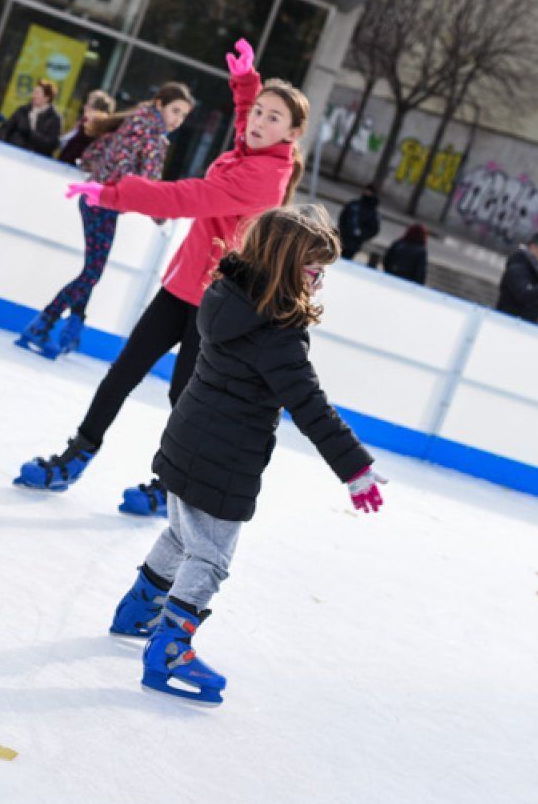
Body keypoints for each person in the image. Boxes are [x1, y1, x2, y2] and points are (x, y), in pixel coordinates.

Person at [14, 40, 307, 518]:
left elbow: (186, 198)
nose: (257, 121)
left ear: (292, 134)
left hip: (217, 302)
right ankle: (75, 457)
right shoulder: (249, 148)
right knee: (123, 372)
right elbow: (244, 125)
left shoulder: (264, 177)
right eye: (258, 111)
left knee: (184, 398)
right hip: (181, 285)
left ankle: (170, 485)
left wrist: (115, 194)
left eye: (272, 117)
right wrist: (245, 84)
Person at [106, 205, 384, 705]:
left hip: (186, 438)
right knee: (210, 556)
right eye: (313, 271)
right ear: (284, 265)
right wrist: (355, 467)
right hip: (225, 457)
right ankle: (170, 649)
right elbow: (309, 403)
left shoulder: (225, 294)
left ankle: (138, 609)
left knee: (180, 534)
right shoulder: (275, 333)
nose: (318, 282)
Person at [14, 80, 194, 360]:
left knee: (92, 269)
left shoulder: (132, 122)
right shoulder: (153, 137)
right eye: (175, 111)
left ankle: (73, 325)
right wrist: (160, 216)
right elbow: (147, 184)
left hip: (93, 198)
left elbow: (92, 156)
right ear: (159, 104)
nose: (178, 120)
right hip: (104, 205)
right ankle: (43, 324)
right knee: (92, 273)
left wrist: (104, 174)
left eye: (183, 115)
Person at [0, 78, 63, 156]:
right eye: (33, 92)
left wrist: (31, 133)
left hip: (35, 158)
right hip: (12, 152)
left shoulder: (55, 119)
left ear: (47, 98)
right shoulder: (23, 110)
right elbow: (5, 128)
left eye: (37, 93)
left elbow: (51, 144)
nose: (33, 95)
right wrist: (3, 146)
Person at [57, 90, 114, 168]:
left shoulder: (98, 134)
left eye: (89, 105)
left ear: (97, 111)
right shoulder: (82, 124)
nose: (84, 107)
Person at [337, 186, 380, 260]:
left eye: (369, 192)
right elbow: (343, 217)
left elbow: (374, 229)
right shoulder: (354, 204)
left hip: (354, 243)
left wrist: (361, 235)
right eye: (366, 190)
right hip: (343, 237)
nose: (367, 193)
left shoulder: (373, 212)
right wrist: (342, 230)